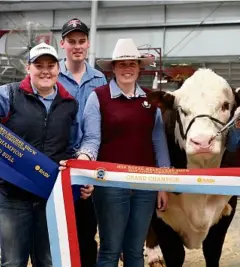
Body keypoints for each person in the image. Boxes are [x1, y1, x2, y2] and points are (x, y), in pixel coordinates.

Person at [78, 38, 171, 267]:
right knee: (110, 249)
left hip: (145, 185)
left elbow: (159, 143)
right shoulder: (97, 97)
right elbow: (92, 140)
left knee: (136, 250)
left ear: (140, 68)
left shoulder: (151, 101)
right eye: (122, 64)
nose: (127, 68)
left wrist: (163, 184)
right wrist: (83, 162)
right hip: (110, 185)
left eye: (132, 63)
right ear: (113, 69)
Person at [0, 42, 92, 267]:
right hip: (12, 196)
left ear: (58, 69)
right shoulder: (8, 95)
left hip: (51, 196)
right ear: (28, 68)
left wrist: (82, 177)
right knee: (12, 262)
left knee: (49, 261)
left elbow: (75, 146)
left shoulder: (70, 104)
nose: (45, 71)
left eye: (50, 65)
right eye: (38, 65)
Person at [58, 18, 107, 267]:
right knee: (56, 232)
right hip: (55, 163)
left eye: (82, 41)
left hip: (88, 165)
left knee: (87, 234)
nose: (77, 46)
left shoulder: (101, 81)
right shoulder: (50, 75)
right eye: (71, 41)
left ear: (88, 44)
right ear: (62, 44)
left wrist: (90, 166)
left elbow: (98, 129)